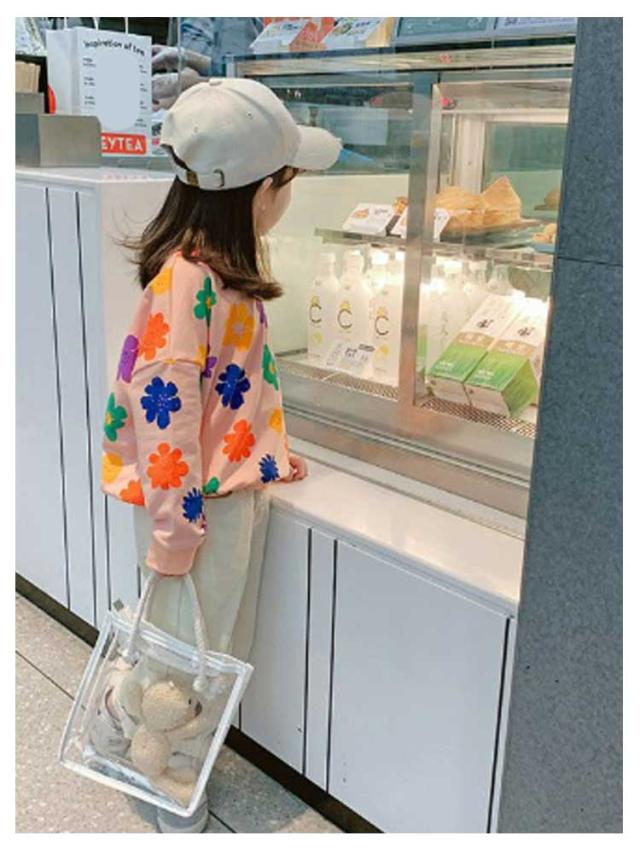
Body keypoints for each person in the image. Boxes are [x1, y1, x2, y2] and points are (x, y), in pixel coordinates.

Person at [100, 77, 341, 833]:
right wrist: (175, 528)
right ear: (261, 193)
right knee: (180, 661)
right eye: (287, 182)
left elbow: (236, 392)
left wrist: (268, 454)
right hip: (194, 510)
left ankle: (140, 733)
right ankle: (157, 768)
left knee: (208, 651)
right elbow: (163, 412)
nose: (287, 197)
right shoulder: (189, 283)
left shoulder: (222, 280)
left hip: (223, 496)